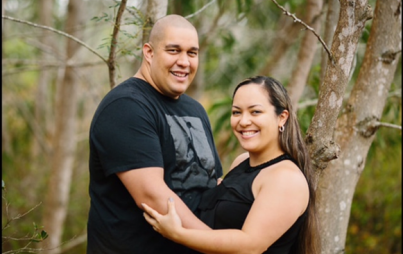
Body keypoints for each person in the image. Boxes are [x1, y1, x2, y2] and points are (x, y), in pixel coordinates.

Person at [87, 14, 223, 254]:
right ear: (149, 53)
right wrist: (218, 245)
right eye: (173, 50)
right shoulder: (125, 106)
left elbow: (211, 184)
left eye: (192, 53)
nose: (184, 61)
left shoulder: (195, 110)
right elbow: (152, 196)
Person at [142, 76, 320, 254]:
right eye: (236, 112)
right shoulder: (241, 162)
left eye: (255, 112)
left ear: (282, 118)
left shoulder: (286, 178)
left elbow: (250, 246)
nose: (243, 121)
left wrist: (178, 234)